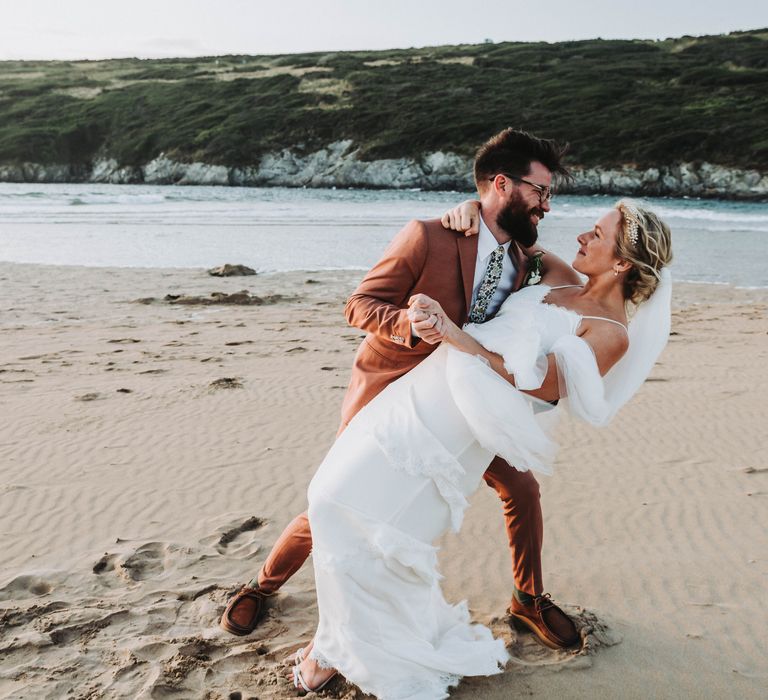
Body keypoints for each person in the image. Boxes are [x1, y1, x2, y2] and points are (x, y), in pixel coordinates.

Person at [221, 129, 582, 653]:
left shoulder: (524, 256)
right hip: (394, 392)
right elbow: (359, 305)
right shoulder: (427, 236)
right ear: (502, 183)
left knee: (521, 490)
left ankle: (528, 600)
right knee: (342, 496)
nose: (547, 205)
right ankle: (263, 584)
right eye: (539, 192)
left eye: (549, 195)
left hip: (468, 404)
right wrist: (410, 323)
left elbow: (571, 288)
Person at [295, 199, 673, 698]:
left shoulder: (611, 333)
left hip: (463, 427)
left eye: (597, 235)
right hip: (422, 389)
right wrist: (471, 207)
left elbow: (545, 385)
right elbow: (507, 234)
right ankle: (339, 640)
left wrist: (458, 338)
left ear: (622, 263)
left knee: (391, 531)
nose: (581, 237)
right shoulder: (559, 273)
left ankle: (337, 649)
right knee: (330, 498)